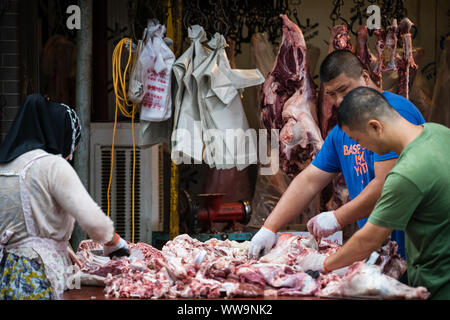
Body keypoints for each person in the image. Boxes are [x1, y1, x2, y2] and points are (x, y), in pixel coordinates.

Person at [248, 50, 425, 261]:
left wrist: (336, 218)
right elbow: (310, 180)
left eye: (344, 89)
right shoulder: (341, 130)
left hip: (411, 249)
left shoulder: (393, 112)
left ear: (365, 77)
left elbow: (385, 186)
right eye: (331, 94)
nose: (339, 100)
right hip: (379, 251)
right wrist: (269, 227)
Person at [297, 87, 450, 299]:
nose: (361, 147)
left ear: (375, 127)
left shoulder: (406, 174)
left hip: (440, 284)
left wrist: (322, 264)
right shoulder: (438, 132)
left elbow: (369, 240)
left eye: (357, 140)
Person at [0, 94, 129, 300]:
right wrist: (115, 243)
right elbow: (92, 220)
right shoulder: (51, 165)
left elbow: (22, 227)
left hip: (7, 273)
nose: (72, 151)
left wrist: (56, 244)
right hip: (40, 274)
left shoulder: (5, 166)